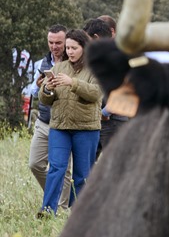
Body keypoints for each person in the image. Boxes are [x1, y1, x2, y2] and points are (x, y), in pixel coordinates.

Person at [37, 29, 103, 216]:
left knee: (82, 174)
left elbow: (96, 93)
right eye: (68, 48)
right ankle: (47, 210)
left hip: (86, 128)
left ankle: (78, 213)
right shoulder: (59, 67)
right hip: (60, 127)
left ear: (84, 47)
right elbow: (45, 99)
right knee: (56, 168)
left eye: (74, 48)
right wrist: (47, 89)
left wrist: (72, 83)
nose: (70, 52)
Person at [27, 24, 72, 210]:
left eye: (58, 43)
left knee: (64, 169)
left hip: (65, 123)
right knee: (35, 164)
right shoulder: (42, 63)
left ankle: (61, 209)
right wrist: (40, 86)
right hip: (44, 121)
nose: (54, 46)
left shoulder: (74, 62)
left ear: (66, 42)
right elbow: (32, 91)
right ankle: (54, 194)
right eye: (51, 42)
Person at [84, 17, 128, 157]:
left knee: (115, 163)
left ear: (96, 38)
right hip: (98, 120)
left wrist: (104, 113)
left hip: (113, 120)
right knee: (89, 163)